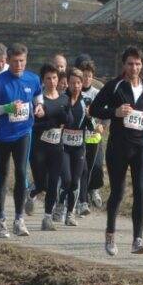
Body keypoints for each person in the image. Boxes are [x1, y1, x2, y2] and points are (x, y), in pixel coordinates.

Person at [89, 46, 143, 254]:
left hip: (141, 145)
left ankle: (137, 239)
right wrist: (115, 112)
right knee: (118, 192)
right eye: (130, 64)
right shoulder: (114, 86)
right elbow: (94, 109)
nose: (134, 68)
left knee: (141, 191)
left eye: (137, 64)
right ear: (124, 65)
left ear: (142, 65)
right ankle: (110, 235)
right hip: (119, 146)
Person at [0, 44, 44, 238]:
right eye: (15, 61)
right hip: (1, 135)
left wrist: (40, 107)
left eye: (22, 61)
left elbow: (38, 96)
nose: (19, 65)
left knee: (21, 172)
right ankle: (1, 219)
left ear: (26, 60)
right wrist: (6, 109)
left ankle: (19, 219)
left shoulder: (33, 79)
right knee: (3, 175)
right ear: (8, 60)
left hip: (24, 132)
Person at [28, 64, 70, 231]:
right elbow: (34, 123)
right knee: (42, 183)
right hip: (39, 146)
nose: (52, 81)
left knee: (53, 182)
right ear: (42, 81)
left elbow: (69, 119)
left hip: (56, 146)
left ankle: (47, 218)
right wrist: (52, 120)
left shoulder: (64, 99)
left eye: (54, 78)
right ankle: (32, 193)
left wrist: (60, 117)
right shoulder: (37, 99)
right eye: (48, 78)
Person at [59, 68, 89, 226]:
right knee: (66, 179)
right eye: (72, 83)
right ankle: (59, 204)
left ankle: (70, 213)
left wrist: (95, 125)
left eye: (78, 82)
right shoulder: (62, 99)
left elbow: (90, 123)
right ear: (68, 84)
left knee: (75, 181)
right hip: (63, 146)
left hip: (79, 146)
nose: (75, 85)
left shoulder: (86, 102)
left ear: (82, 84)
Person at [76, 56, 104, 216]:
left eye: (89, 76)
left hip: (95, 136)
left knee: (98, 166)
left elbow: (105, 113)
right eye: (84, 75)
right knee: (82, 168)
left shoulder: (97, 92)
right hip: (79, 136)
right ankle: (82, 200)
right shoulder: (75, 91)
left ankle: (94, 190)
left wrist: (102, 125)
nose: (86, 79)